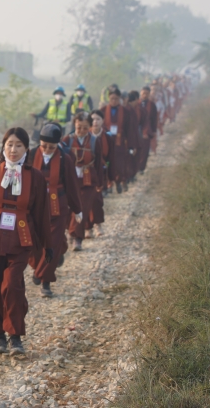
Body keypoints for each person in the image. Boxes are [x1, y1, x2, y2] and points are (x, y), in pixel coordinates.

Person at [0, 128, 51, 354]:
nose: (13, 149)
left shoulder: (35, 177)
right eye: (9, 144)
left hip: (21, 240)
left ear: (27, 148)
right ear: (3, 147)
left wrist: (48, 245)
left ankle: (15, 336)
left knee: (13, 286)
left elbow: (41, 214)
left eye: (19, 145)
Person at [25, 123, 82, 286]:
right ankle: (40, 267)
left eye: (51, 147)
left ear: (57, 144)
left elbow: (72, 186)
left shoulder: (65, 158)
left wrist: (77, 209)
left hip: (58, 206)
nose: (47, 150)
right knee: (34, 243)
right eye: (44, 146)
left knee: (53, 243)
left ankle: (45, 281)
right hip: (34, 207)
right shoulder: (31, 155)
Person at [64, 112, 106, 246]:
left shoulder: (94, 141)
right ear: (74, 125)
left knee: (82, 207)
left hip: (88, 180)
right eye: (78, 127)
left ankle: (77, 238)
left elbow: (99, 163)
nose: (81, 130)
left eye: (84, 127)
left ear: (89, 126)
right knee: (70, 208)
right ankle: (70, 231)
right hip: (71, 180)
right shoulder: (67, 141)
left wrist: (100, 182)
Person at [100, 85, 138, 193]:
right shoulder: (103, 110)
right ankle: (108, 184)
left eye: (116, 99)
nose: (114, 101)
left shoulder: (125, 112)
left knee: (120, 164)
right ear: (109, 99)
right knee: (107, 164)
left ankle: (118, 181)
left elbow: (129, 130)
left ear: (120, 99)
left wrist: (131, 145)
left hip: (120, 142)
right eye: (112, 99)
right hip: (106, 142)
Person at [137, 85, 159, 173]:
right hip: (136, 129)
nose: (145, 95)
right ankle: (135, 167)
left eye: (147, 94)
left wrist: (154, 131)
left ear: (149, 94)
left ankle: (142, 167)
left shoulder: (152, 105)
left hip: (147, 129)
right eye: (143, 93)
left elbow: (154, 119)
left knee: (145, 150)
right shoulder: (136, 103)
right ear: (140, 93)